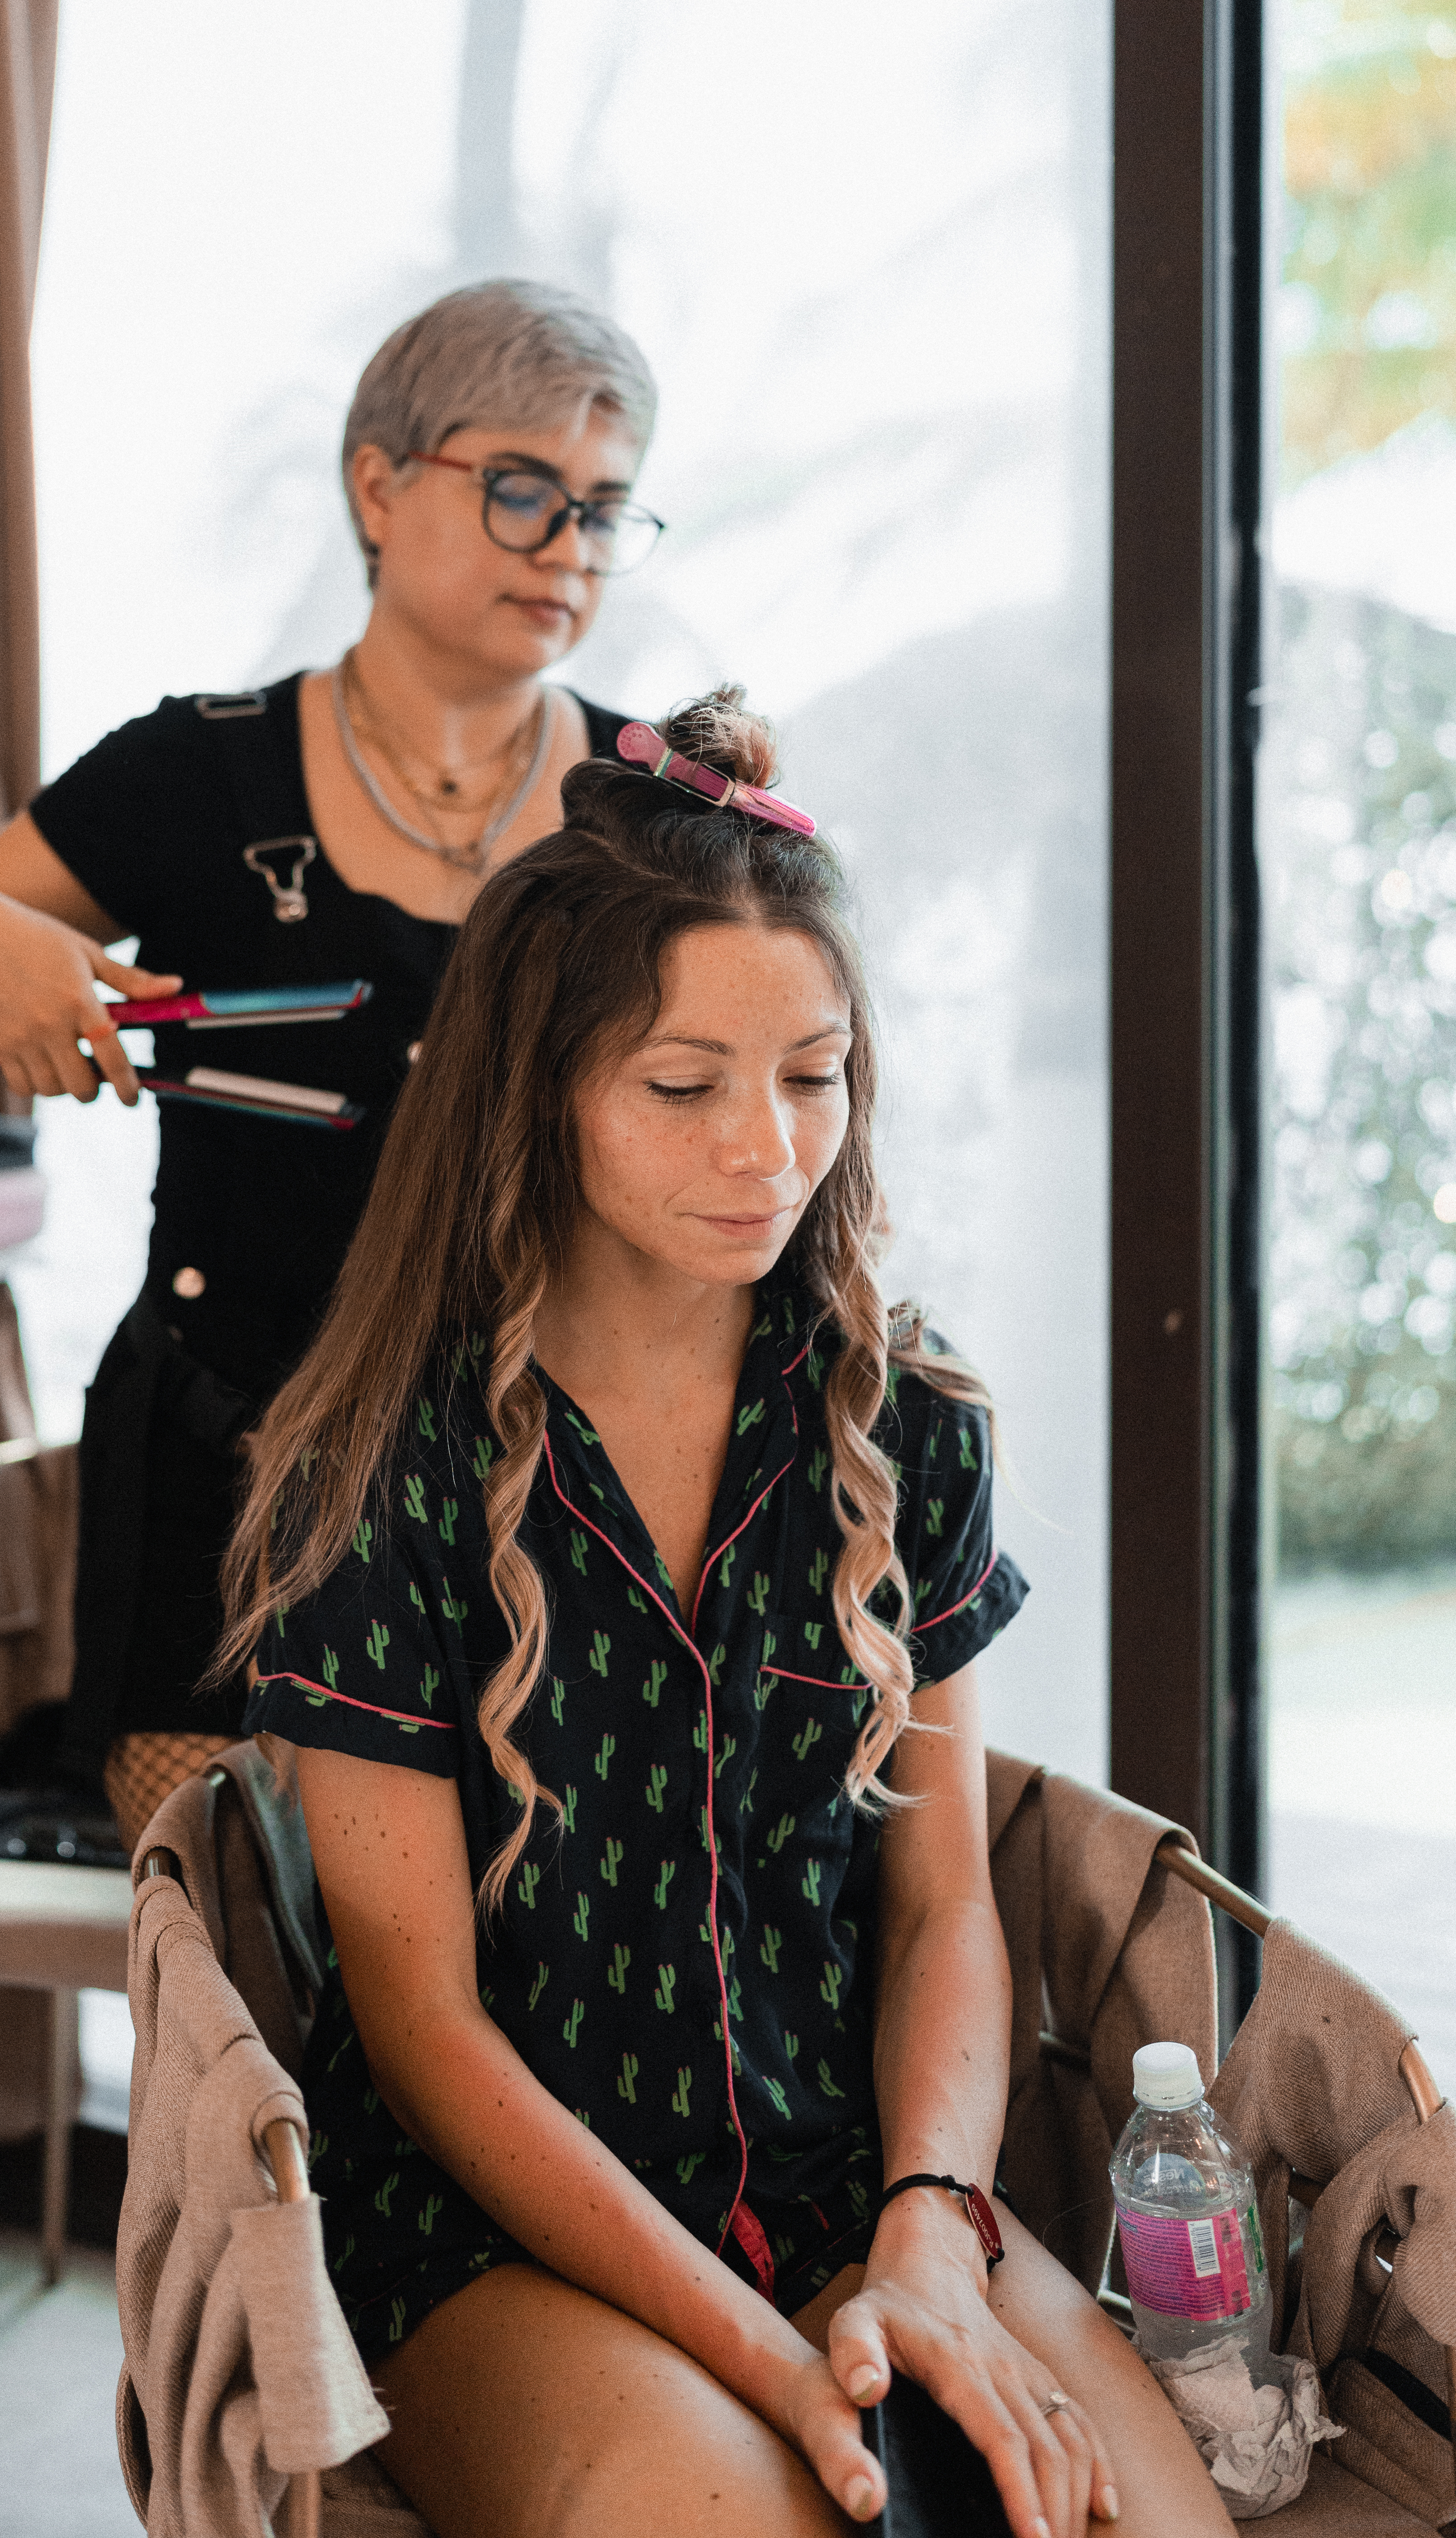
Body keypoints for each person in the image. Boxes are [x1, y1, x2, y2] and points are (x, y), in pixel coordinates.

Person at [215, 694, 1230, 2538]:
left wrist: (928, 2235)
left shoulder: (908, 1422)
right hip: (498, 2237)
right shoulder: (382, 1473)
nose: (768, 1149)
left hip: (862, 2189)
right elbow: (427, 2034)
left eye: (815, 1075)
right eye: (684, 1088)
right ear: (541, 1094)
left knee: (1135, 2529)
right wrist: (771, 2363)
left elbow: (944, 1908)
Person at [0, 281, 663, 1847]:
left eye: (607, 512)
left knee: (516, 1993)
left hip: (545, 1482)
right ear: (377, 482)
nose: (567, 547)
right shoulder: (198, 769)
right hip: (222, 1477)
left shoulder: (646, 809)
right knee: (228, 1965)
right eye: (520, 490)